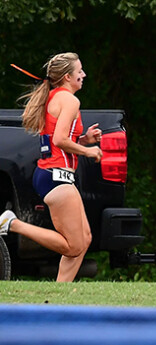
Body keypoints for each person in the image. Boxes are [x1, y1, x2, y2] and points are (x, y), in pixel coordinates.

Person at [0, 53, 100, 282]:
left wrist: (85, 139)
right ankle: (12, 223)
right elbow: (59, 140)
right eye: (80, 71)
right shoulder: (70, 101)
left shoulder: (55, 96)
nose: (83, 75)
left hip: (53, 174)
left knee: (83, 240)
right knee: (73, 246)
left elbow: (59, 138)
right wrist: (88, 151)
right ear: (67, 76)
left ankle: (59, 296)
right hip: (57, 176)